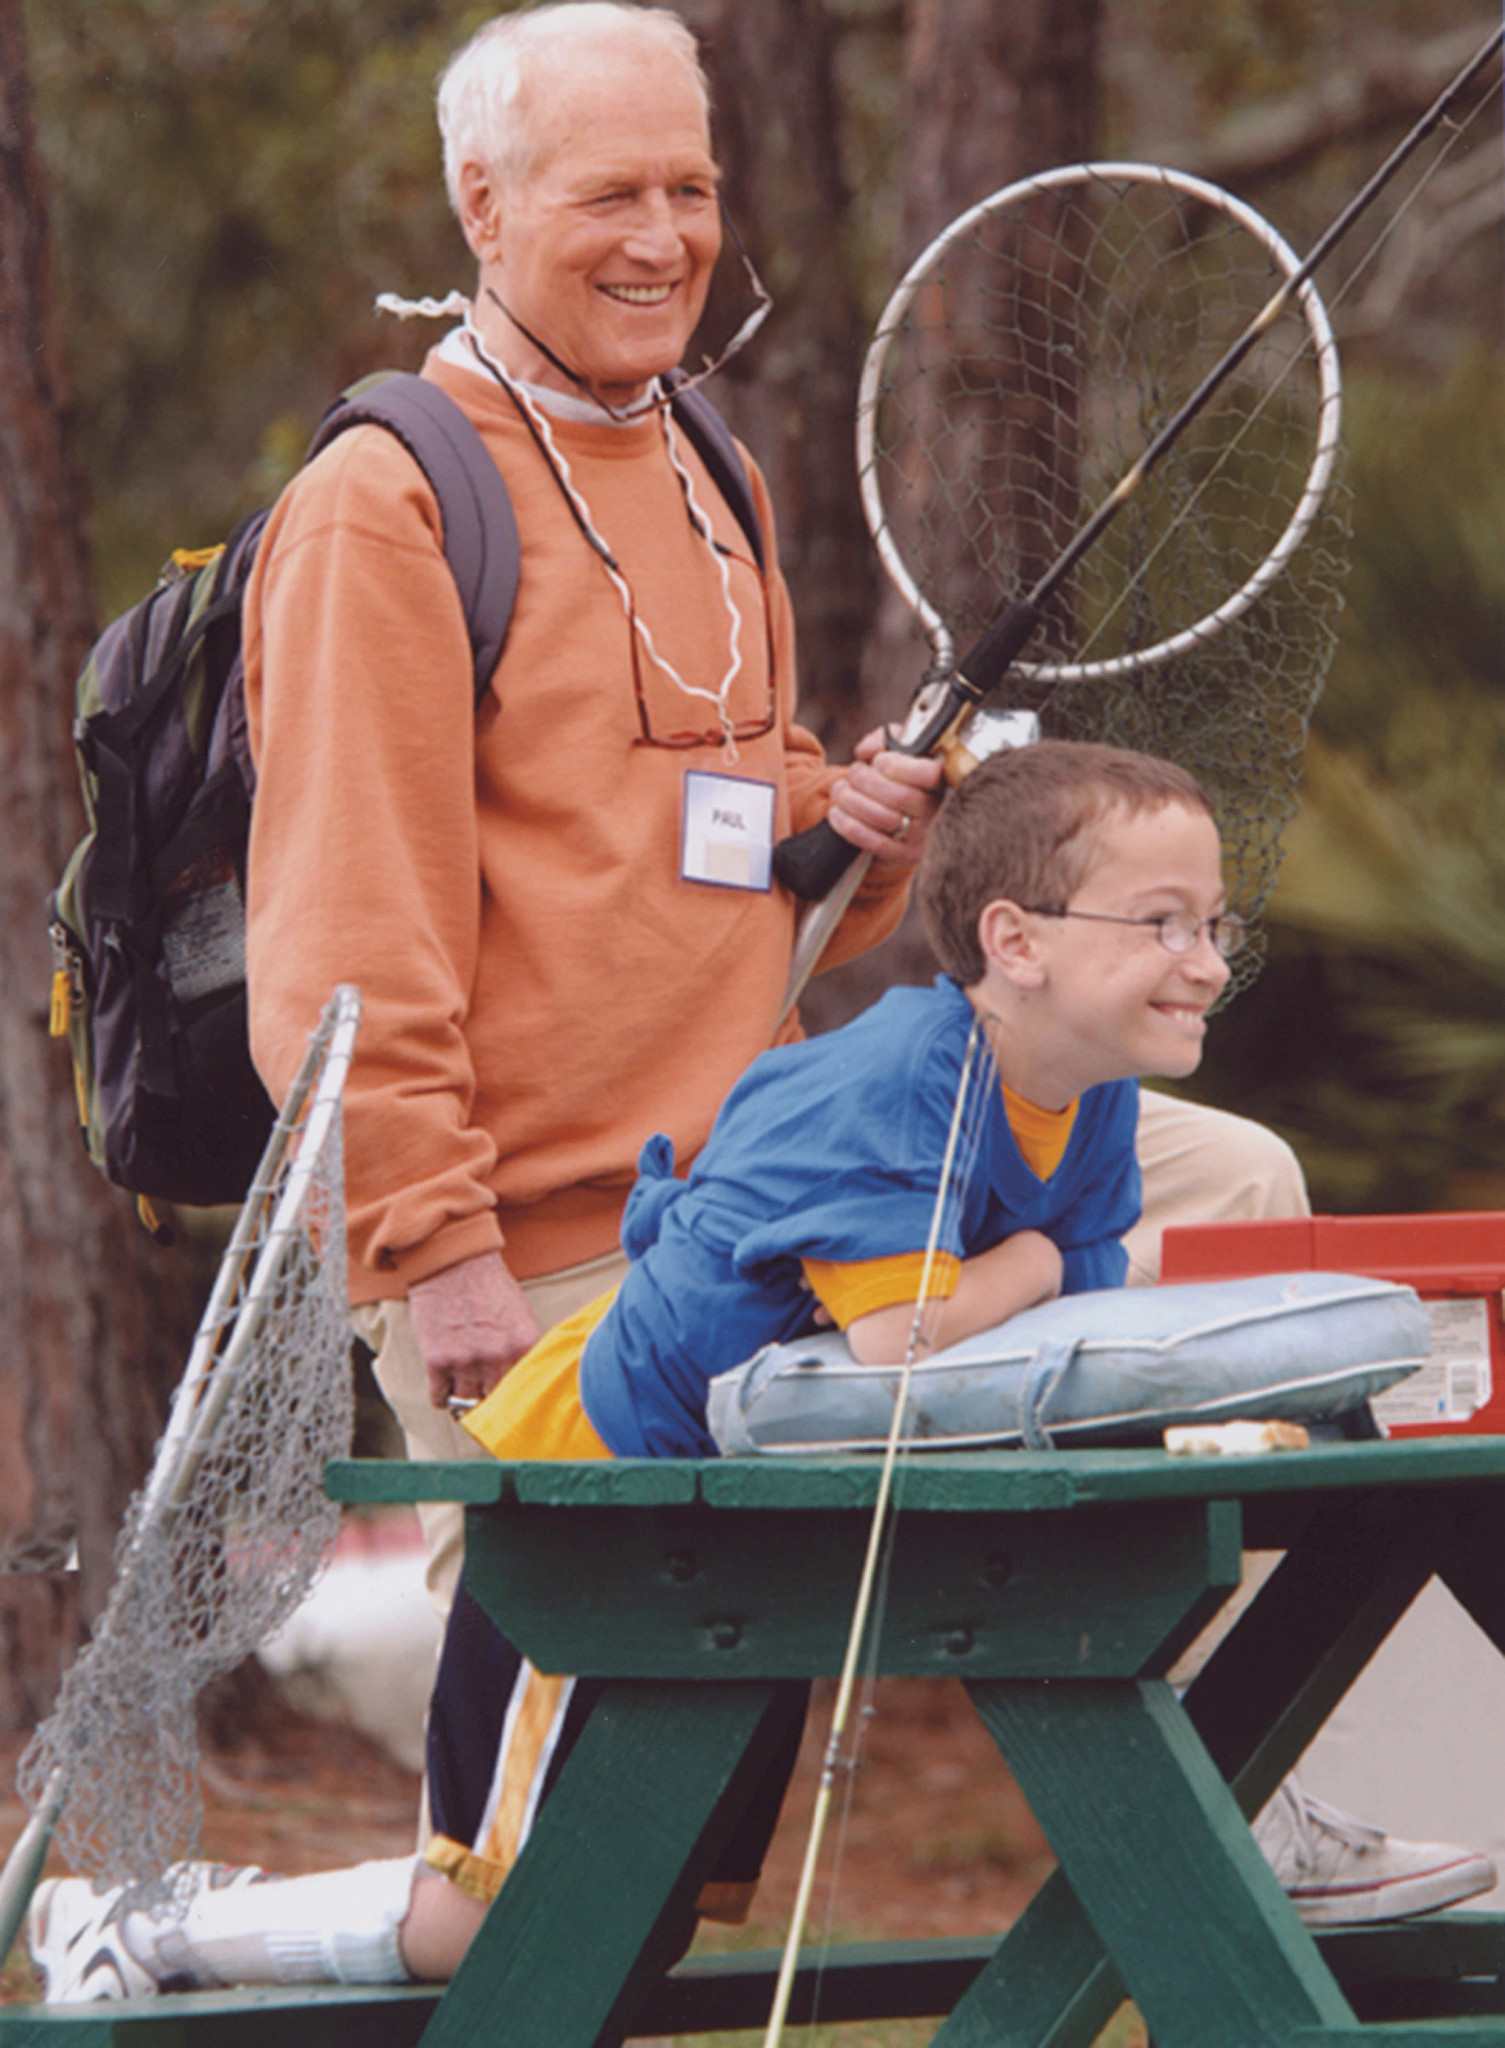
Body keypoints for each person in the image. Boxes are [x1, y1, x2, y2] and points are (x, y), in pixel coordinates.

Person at [32, 742, 1492, 2003]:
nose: (1208, 961)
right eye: (1163, 922)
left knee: (636, 1919)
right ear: (1013, 940)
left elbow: (1046, 1282)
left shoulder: (1087, 1093)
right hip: (593, 1511)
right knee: (502, 1923)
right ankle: (140, 1926)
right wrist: (1044, 1271)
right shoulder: (887, 1086)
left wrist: (1054, 1285)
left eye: (1215, 922)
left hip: (727, 1518)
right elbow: (902, 1334)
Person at [241, 1, 943, 1620]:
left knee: (1220, 1191)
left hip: (753, 1196)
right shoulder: (386, 500)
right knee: (550, 1831)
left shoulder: (708, 456)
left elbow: (740, 839)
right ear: (483, 207)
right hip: (531, 1253)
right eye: (609, 196)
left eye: (689, 192)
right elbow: (341, 935)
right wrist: (437, 1247)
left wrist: (859, 821)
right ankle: (98, 1901)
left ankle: (1254, 1825)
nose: (665, 239)